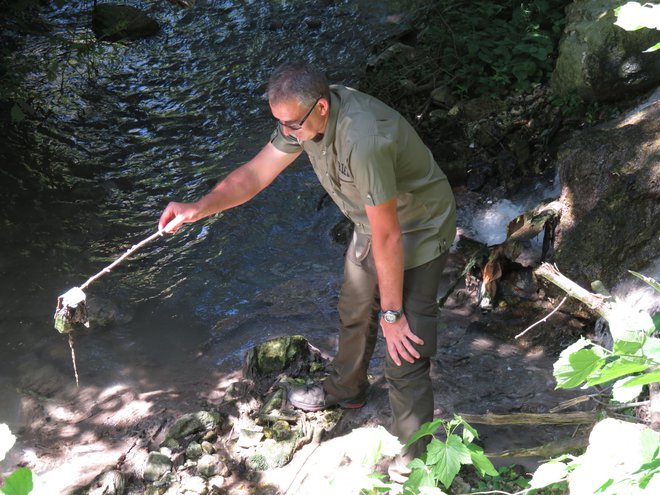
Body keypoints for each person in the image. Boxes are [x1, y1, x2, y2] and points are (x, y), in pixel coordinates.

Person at [158, 61, 456, 478]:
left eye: (292, 124)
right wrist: (198, 208)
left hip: (417, 228)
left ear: (320, 107)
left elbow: (390, 237)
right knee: (354, 308)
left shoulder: (363, 139)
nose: (287, 133)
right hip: (371, 222)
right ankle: (346, 390)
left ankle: (414, 462)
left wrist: (392, 313)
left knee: (404, 347)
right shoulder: (302, 120)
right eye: (279, 123)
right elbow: (254, 177)